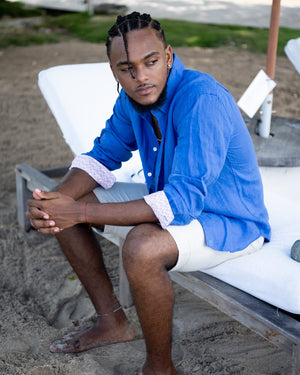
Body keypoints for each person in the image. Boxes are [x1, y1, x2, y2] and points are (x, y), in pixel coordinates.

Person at [26, 11, 271, 375]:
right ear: (114, 71)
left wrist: (77, 214)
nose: (141, 77)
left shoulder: (202, 100)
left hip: (229, 220)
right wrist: (54, 204)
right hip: (176, 204)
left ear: (168, 57)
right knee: (69, 199)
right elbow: (101, 156)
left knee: (142, 247)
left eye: (151, 62)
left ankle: (160, 368)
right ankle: (112, 323)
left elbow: (182, 202)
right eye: (127, 68)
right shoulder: (132, 101)